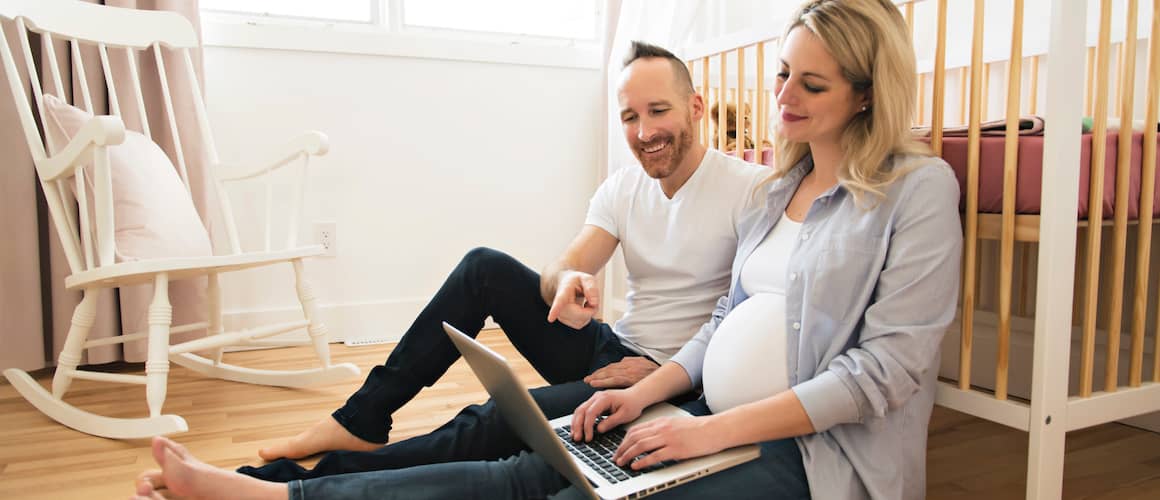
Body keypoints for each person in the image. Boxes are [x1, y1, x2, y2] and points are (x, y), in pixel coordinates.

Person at [131, 1, 962, 498]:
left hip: (767, 431)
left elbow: (877, 373)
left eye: (809, 86)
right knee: (514, 426)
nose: (782, 98)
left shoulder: (885, 191)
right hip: (679, 386)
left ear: (865, 95)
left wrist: (679, 401)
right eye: (782, 75)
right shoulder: (775, 190)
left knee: (530, 465)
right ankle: (312, 464)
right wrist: (588, 307)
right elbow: (712, 310)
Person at [224, 40, 766, 483]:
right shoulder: (624, 187)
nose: (644, 132)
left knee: (495, 419)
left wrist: (662, 375)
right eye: (630, 117)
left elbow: (746, 314)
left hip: (674, 380)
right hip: (613, 351)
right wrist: (567, 281)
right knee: (483, 267)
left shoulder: (750, 191)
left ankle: (297, 482)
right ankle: (361, 418)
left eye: (658, 111)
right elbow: (565, 266)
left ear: (695, 107)